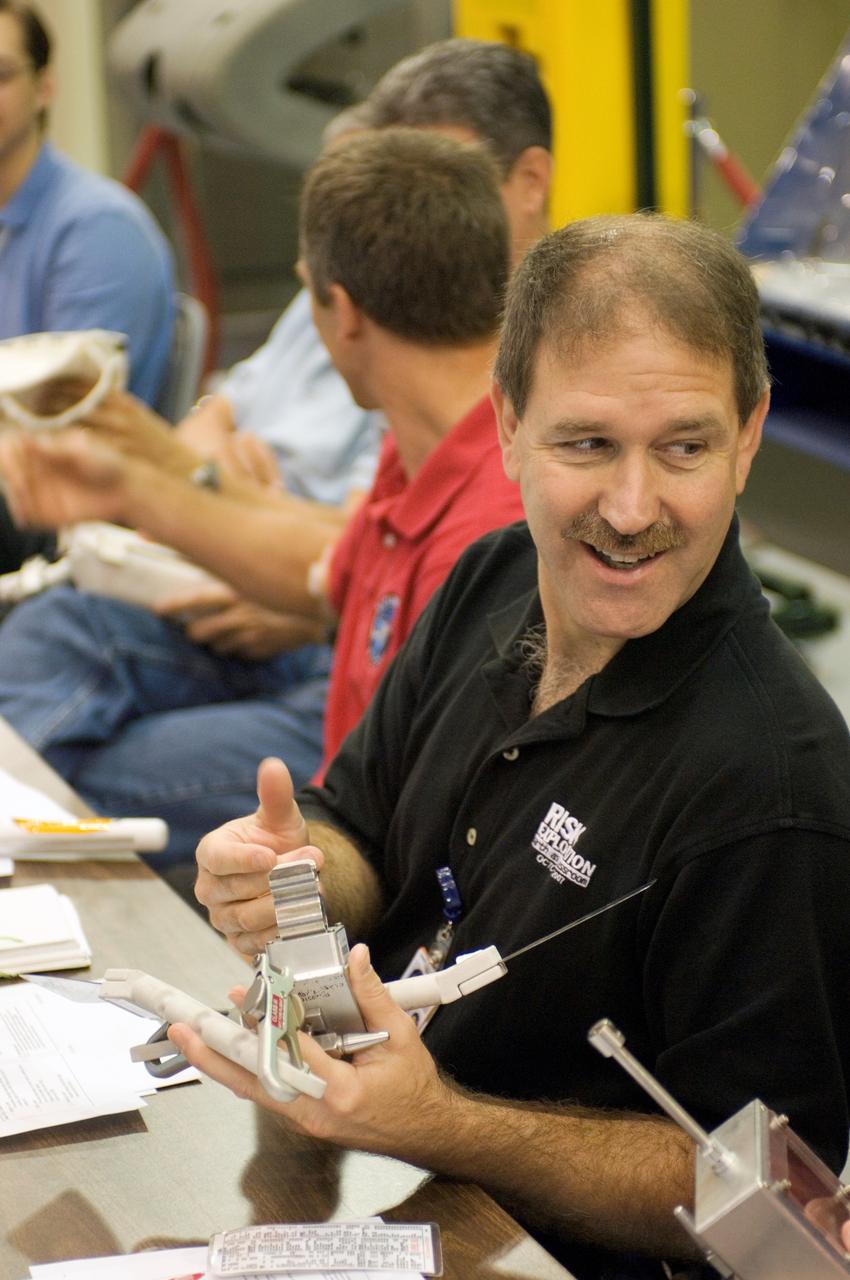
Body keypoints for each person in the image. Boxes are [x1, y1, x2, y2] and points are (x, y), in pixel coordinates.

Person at [161, 215, 848, 1279]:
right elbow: (358, 826)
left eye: (685, 446)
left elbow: (758, 1193)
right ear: (507, 425)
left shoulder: (775, 785)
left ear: (749, 434)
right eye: (586, 444)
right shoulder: (488, 576)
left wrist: (444, 1123)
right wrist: (291, 877)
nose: (631, 508)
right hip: (372, 1190)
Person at [0, 38, 549, 872]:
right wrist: (125, 481)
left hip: (357, 837)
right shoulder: (430, 459)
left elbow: (411, 838)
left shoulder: (488, 525)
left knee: (71, 769)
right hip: (331, 748)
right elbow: (322, 574)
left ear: (343, 313)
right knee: (51, 658)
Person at [0, 0, 175, 571]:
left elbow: (62, 432)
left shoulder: (97, 229)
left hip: (60, 508)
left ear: (44, 87)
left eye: (0, 76)